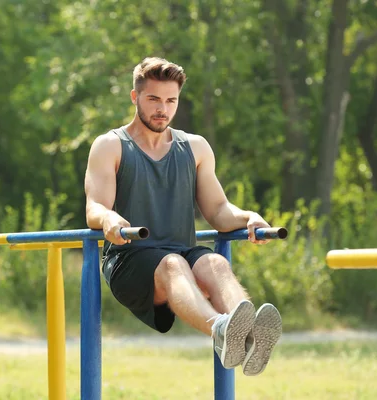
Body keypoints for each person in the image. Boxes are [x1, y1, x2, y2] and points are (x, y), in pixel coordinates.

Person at [84, 57, 282, 376]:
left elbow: (218, 210)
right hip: (130, 258)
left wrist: (249, 217)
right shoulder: (110, 146)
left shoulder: (195, 148)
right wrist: (109, 219)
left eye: (170, 100)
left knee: (215, 263)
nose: (162, 108)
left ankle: (247, 336)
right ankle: (221, 329)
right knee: (173, 264)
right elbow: (94, 207)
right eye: (153, 99)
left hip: (180, 250)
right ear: (135, 97)